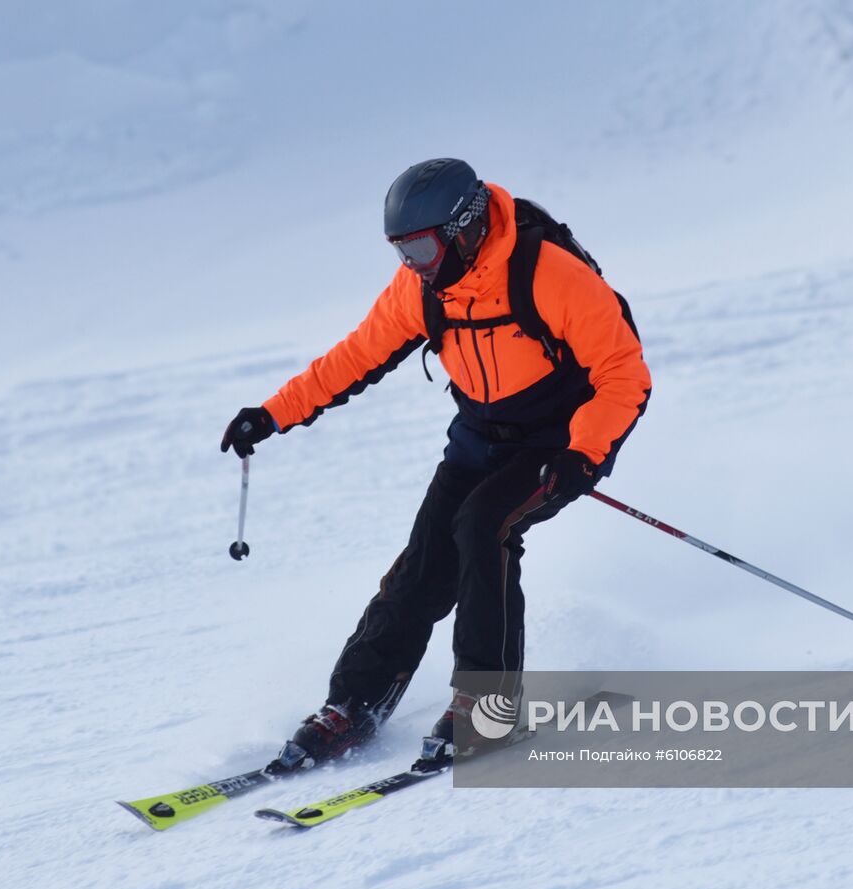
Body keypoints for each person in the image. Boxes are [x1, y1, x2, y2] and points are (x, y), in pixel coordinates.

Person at [221, 158, 650, 771]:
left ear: (466, 228)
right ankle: (352, 704)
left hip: (558, 439)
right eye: (401, 251)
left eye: (420, 248)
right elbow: (355, 356)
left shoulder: (549, 274)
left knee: (484, 527)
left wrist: (584, 452)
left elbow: (623, 373)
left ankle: (487, 708)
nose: (413, 264)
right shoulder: (423, 289)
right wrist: (271, 414)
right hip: (479, 436)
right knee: (425, 561)